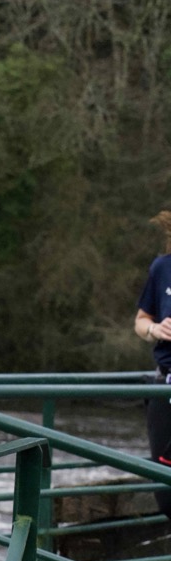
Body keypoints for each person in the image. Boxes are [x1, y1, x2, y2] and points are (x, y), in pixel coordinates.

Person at [134, 209, 171, 518]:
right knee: (166, 495)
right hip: (165, 389)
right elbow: (141, 320)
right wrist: (155, 329)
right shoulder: (162, 267)